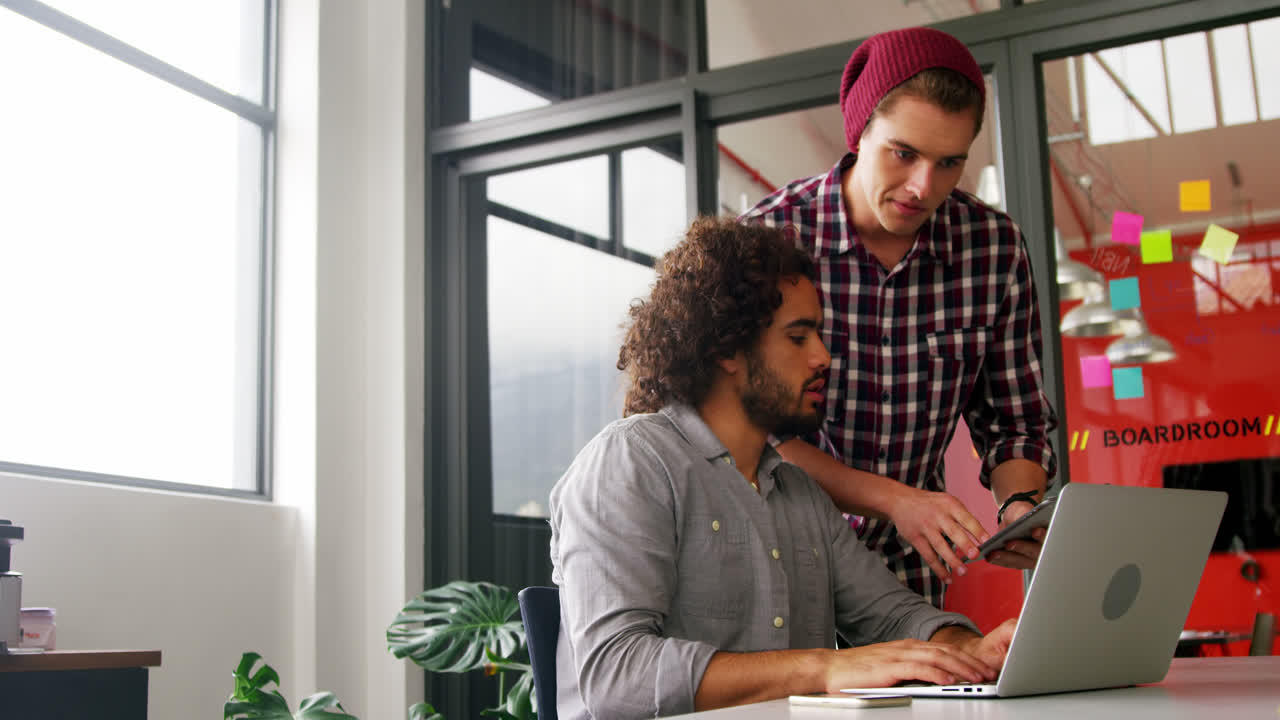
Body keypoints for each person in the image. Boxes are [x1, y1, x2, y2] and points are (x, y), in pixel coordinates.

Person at [548, 218, 1015, 719]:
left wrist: (968, 650)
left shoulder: (799, 492)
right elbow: (617, 677)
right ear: (727, 349)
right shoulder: (630, 463)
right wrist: (824, 670)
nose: (823, 356)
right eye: (798, 338)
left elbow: (894, 616)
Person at [741, 27, 1059, 608]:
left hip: (908, 582)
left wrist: (1020, 508)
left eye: (949, 163)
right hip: (777, 562)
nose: (922, 187)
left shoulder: (992, 249)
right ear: (860, 133)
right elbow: (753, 435)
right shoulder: (771, 240)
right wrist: (895, 499)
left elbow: (1016, 422)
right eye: (904, 153)